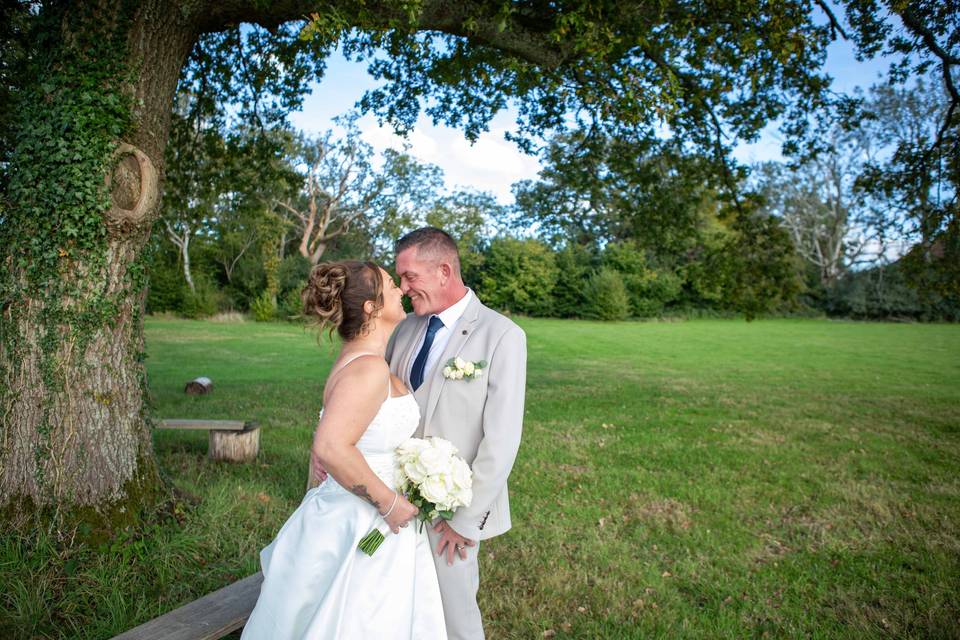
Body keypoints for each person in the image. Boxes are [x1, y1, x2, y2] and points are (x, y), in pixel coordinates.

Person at [241, 260, 447, 639]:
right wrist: (390, 502)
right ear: (371, 306)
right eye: (390, 284)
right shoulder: (368, 369)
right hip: (362, 520)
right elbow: (331, 445)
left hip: (360, 513)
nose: (400, 289)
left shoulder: (357, 360)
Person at [386, 227, 527, 640]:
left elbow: (501, 439)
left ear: (444, 271)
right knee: (395, 600)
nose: (403, 286)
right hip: (392, 501)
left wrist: (465, 522)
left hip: (452, 509)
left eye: (410, 276)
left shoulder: (502, 335)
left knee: (454, 612)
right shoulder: (407, 328)